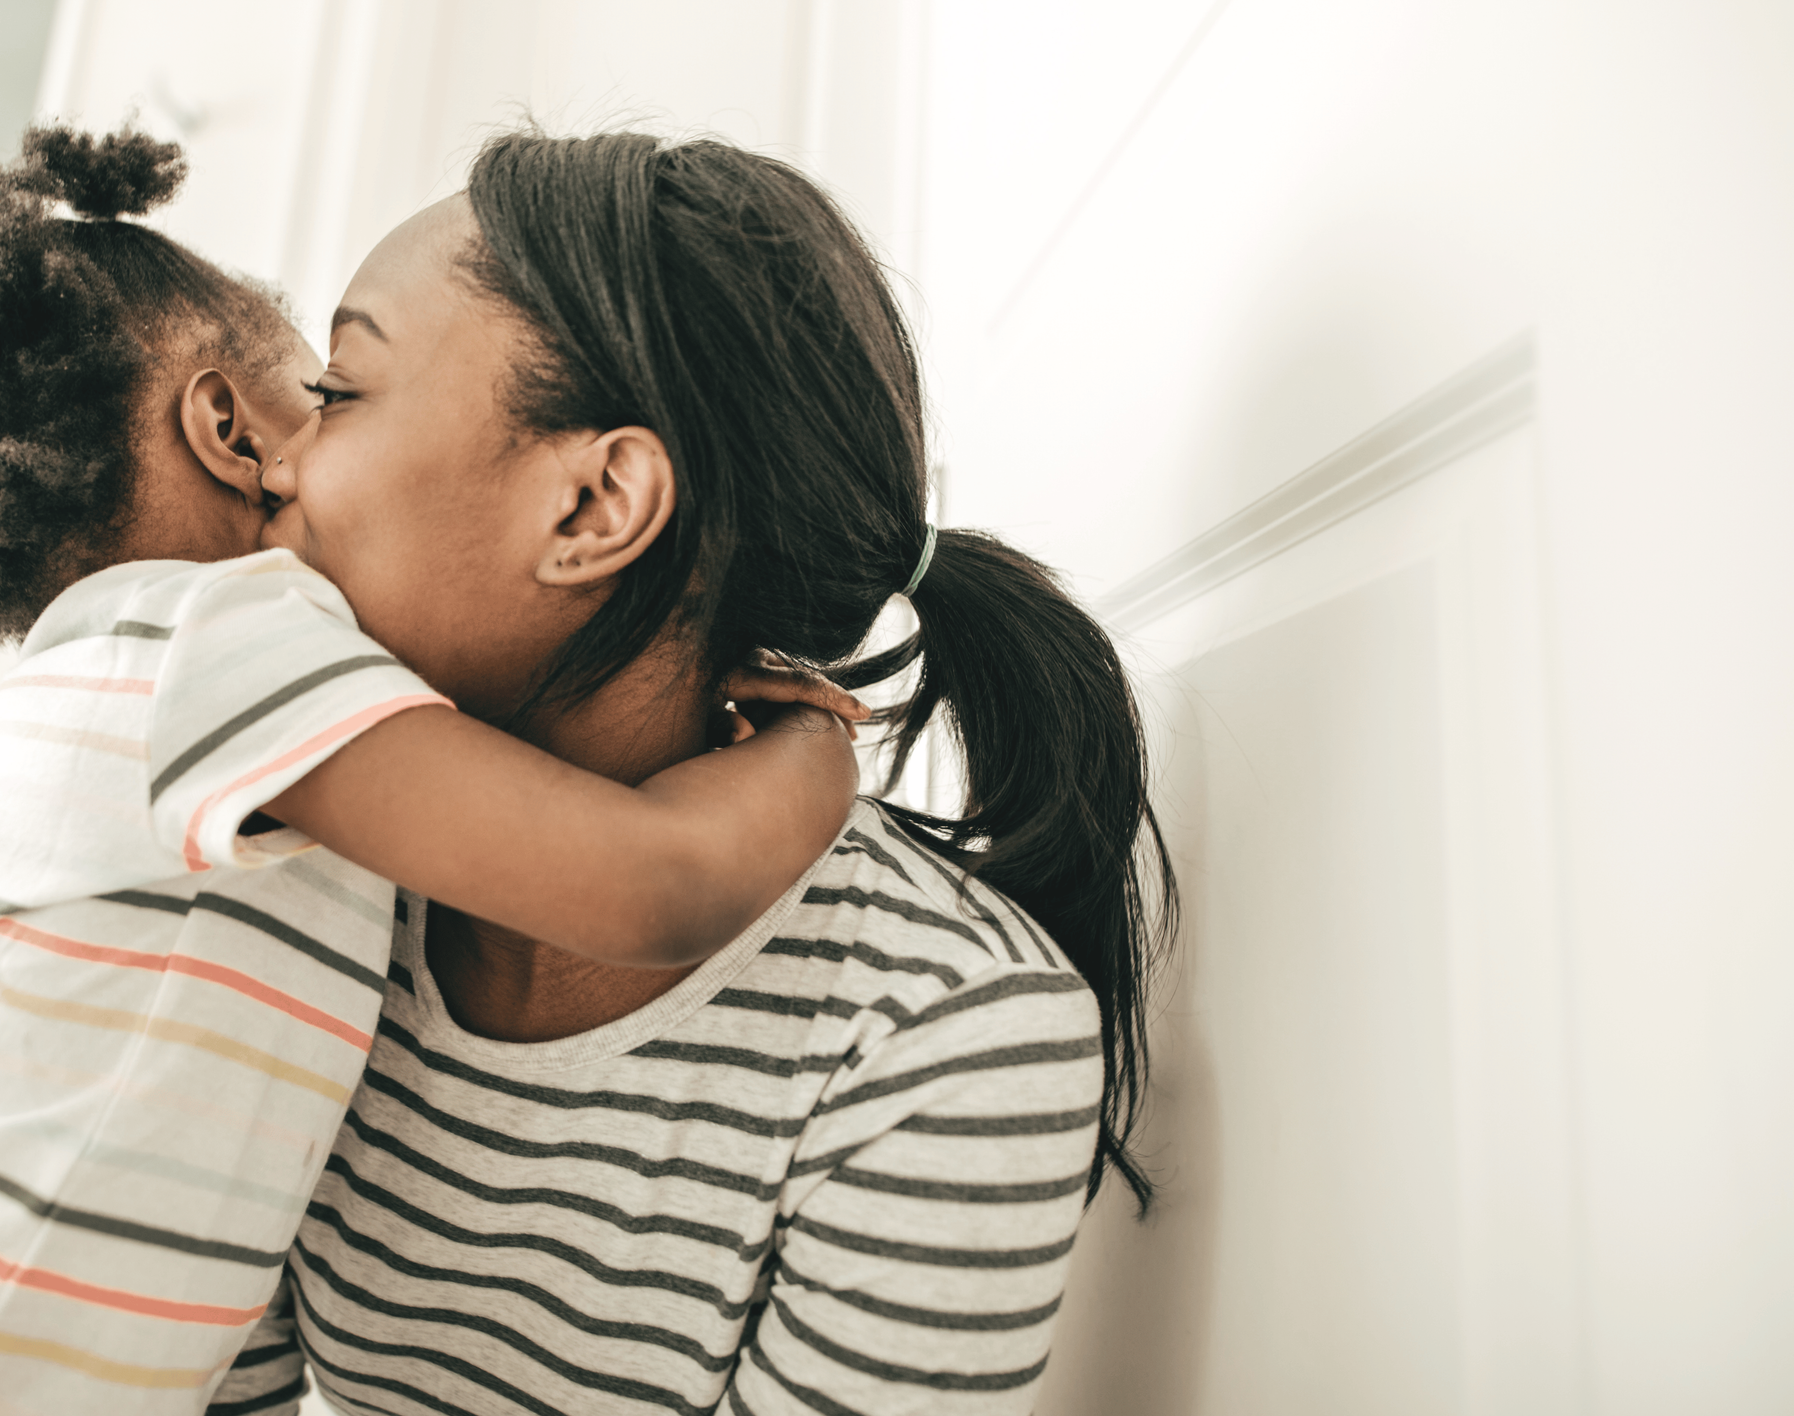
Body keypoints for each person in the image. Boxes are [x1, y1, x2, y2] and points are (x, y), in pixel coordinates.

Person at [0, 127, 866, 1416]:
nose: (313, 445)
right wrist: (816, 744)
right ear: (236, 432)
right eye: (328, 389)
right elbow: (655, 884)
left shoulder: (170, 690)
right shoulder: (215, 636)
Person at [208, 129, 1175, 1416]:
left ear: (594, 507)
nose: (275, 463)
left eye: (337, 392)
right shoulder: (282, 870)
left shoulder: (946, 1029)